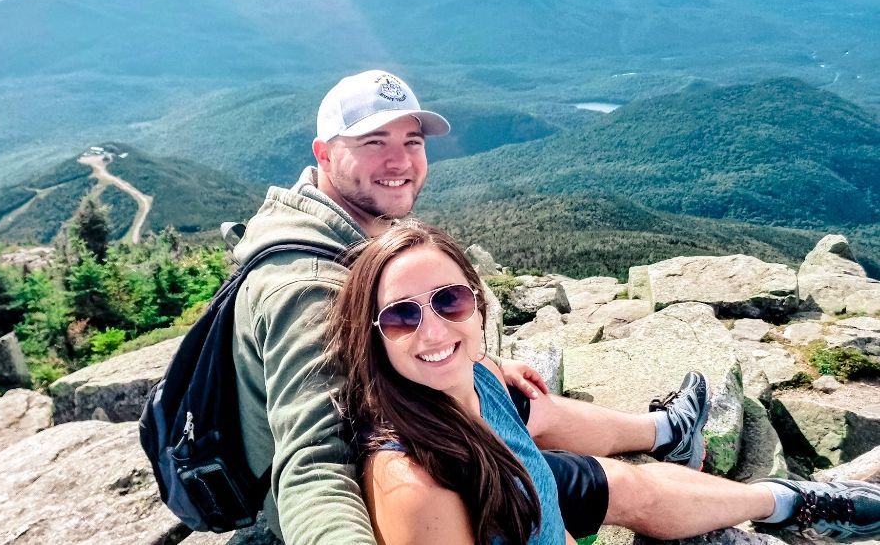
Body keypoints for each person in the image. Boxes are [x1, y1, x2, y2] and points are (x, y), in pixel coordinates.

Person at [231, 69, 880, 543]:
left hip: (422, 419)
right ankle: (778, 496)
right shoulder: (306, 286)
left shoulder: (346, 220)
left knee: (517, 398)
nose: (400, 160)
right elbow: (313, 465)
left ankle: (672, 437)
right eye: (374, 142)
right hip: (408, 463)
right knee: (619, 483)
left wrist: (475, 363)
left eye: (412, 140)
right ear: (325, 154)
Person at [328, 220, 880, 544]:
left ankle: (787, 499)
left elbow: (542, 515)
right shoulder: (416, 489)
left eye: (450, 300)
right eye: (401, 315)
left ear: (478, 304)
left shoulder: (478, 379)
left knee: (631, 485)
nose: (432, 330)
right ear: (372, 337)